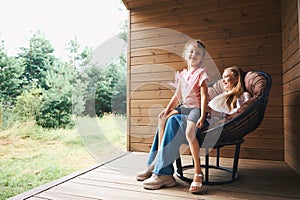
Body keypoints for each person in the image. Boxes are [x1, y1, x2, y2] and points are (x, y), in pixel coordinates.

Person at [136, 39, 210, 193]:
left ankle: (165, 171)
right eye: (191, 51)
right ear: (185, 54)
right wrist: (167, 109)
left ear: (202, 57)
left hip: (194, 109)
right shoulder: (183, 74)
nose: (194, 55)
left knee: (175, 123)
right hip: (184, 107)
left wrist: (203, 115)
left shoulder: (201, 74)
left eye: (198, 53)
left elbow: (204, 96)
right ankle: (156, 164)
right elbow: (177, 96)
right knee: (163, 118)